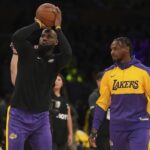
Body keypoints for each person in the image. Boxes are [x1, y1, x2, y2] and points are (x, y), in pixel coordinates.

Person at [6, 5, 72, 150]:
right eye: (42, 35)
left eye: (49, 36)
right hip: (18, 116)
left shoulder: (55, 62)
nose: (44, 37)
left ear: (56, 42)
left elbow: (67, 54)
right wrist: (37, 24)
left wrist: (58, 28)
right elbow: (17, 37)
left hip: (41, 119)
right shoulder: (28, 53)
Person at [89, 37, 150, 150]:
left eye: (116, 49)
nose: (112, 52)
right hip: (117, 127)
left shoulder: (145, 72)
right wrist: (94, 129)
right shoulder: (107, 74)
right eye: (111, 49)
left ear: (127, 49)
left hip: (139, 124)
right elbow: (102, 103)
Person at [49, 73, 73, 150]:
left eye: (59, 80)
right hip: (51, 135)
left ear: (62, 83)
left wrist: (70, 134)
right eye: (55, 79)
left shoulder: (65, 100)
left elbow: (68, 117)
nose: (56, 81)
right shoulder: (48, 98)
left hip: (63, 136)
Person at [88, 72, 110, 150]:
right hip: (100, 133)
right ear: (98, 82)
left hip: (112, 131)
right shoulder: (94, 96)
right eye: (103, 80)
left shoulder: (112, 94)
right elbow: (95, 114)